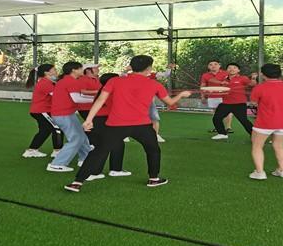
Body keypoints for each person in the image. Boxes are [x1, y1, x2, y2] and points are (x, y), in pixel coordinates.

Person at [64, 55, 191, 192]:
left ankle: (77, 182)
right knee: (153, 150)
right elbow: (170, 102)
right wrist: (182, 95)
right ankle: (154, 178)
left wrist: (88, 120)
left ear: (131, 66)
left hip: (117, 125)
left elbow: (100, 100)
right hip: (142, 125)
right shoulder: (155, 84)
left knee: (99, 151)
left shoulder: (115, 81)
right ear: (149, 69)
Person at [249, 64, 283, 180]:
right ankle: (282, 170)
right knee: (279, 146)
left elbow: (253, 103)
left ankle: (260, 172)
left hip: (264, 122)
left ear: (263, 74)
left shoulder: (259, 87)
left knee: (257, 146)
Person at [46, 62, 92, 173]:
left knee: (81, 136)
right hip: (63, 114)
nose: (83, 70)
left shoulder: (68, 80)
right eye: (81, 68)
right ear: (74, 70)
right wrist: (96, 100)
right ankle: (57, 164)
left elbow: (78, 96)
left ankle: (85, 158)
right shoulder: (70, 81)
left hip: (66, 113)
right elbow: (77, 98)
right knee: (76, 138)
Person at [84, 73, 130, 181]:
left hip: (99, 120)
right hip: (105, 120)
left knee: (116, 144)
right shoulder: (111, 92)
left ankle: (113, 170)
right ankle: (96, 172)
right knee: (108, 145)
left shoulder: (103, 90)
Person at [22, 64, 64, 159]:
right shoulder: (45, 83)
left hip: (41, 111)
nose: (56, 71)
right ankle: (57, 151)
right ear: (46, 72)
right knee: (57, 128)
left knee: (45, 130)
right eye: (54, 69)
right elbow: (57, 96)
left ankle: (32, 150)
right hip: (41, 111)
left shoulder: (48, 82)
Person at [211, 63, 258, 140]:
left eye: (234, 68)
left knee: (244, 121)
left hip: (239, 104)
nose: (232, 69)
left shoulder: (243, 78)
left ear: (238, 70)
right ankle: (222, 133)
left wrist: (254, 78)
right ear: (227, 70)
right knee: (216, 118)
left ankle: (255, 136)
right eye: (229, 68)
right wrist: (220, 84)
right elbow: (212, 80)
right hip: (226, 103)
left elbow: (252, 84)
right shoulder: (223, 78)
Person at [201, 60, 233, 134]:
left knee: (227, 111)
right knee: (215, 113)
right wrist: (202, 96)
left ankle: (228, 127)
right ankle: (218, 127)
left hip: (225, 96)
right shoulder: (205, 75)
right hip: (212, 96)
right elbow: (203, 86)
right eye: (211, 64)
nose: (213, 66)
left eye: (215, 64)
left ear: (219, 65)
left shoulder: (226, 73)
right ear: (208, 67)